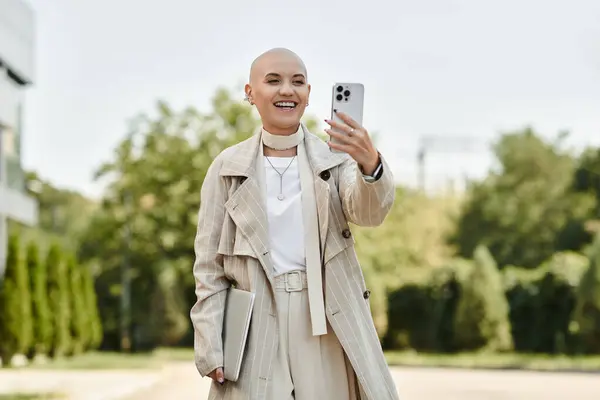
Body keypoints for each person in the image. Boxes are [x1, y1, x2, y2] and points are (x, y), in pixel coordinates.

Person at [190, 47, 400, 400]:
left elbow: (369, 213)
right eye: (273, 81)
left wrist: (370, 165)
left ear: (308, 94)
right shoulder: (226, 168)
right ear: (250, 93)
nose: (287, 90)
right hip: (254, 319)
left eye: (297, 82)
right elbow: (209, 267)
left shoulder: (336, 161)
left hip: (325, 316)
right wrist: (210, 343)